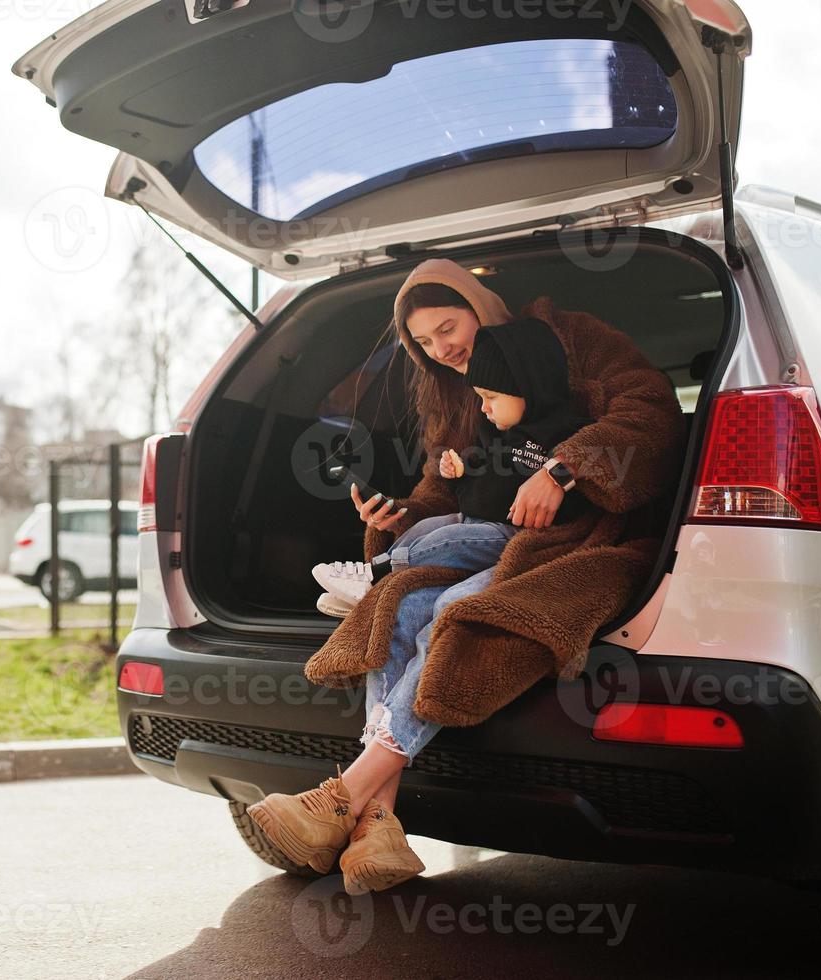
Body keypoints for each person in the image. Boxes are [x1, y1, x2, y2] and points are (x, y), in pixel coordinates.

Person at [245, 257, 682, 896]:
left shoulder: (571, 340)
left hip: (584, 540)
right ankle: (377, 827)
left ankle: (345, 796)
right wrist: (396, 520)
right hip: (487, 541)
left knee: (459, 612)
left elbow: (652, 414)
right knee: (401, 601)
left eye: (448, 327)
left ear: (480, 302)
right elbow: (442, 493)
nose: (442, 349)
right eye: (423, 343)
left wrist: (564, 470)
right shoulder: (452, 394)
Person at [311, 317, 592, 614]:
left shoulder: (565, 431)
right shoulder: (497, 433)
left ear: (528, 386)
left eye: (491, 397)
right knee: (428, 528)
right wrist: (462, 475)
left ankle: (376, 575)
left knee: (447, 539)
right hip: (473, 521)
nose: (483, 408)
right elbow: (491, 482)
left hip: (512, 535)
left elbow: (596, 459)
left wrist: (559, 474)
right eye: (423, 342)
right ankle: (377, 583)